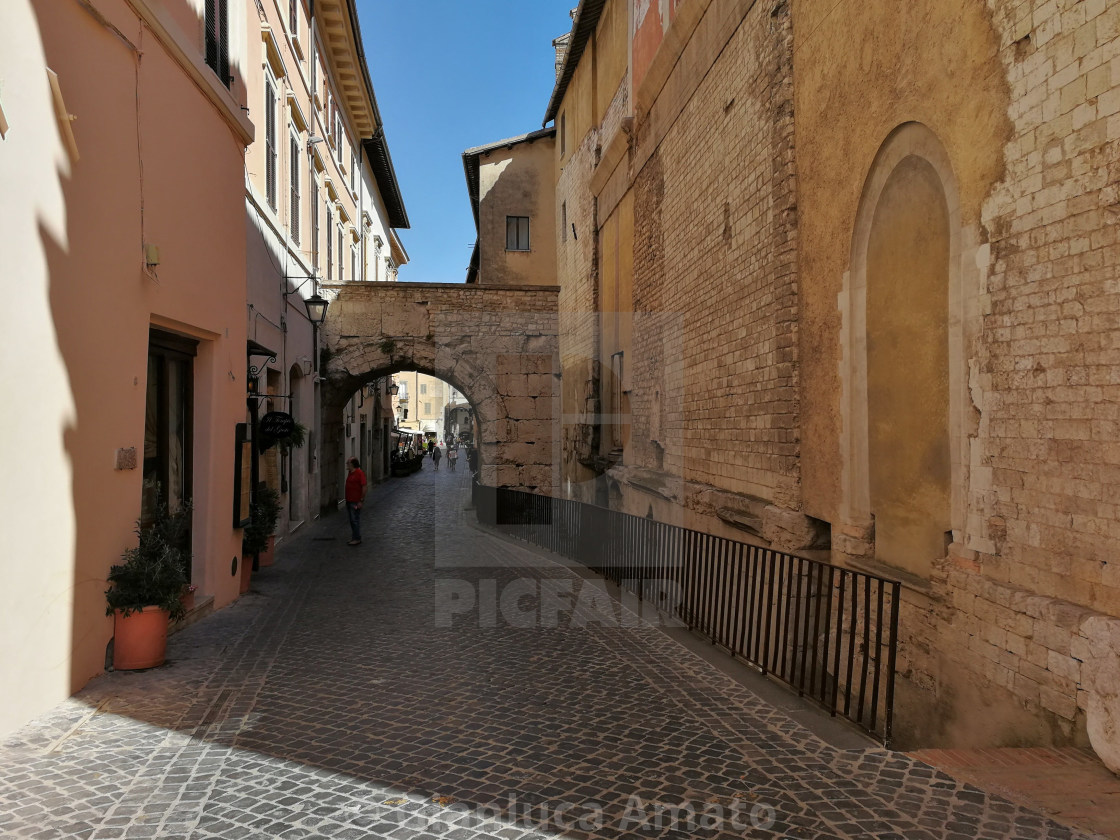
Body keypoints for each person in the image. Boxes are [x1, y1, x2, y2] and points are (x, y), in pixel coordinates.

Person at [344, 457, 366, 546]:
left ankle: (356, 539)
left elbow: (364, 487)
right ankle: (355, 537)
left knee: (354, 520)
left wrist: (361, 500)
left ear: (352, 464)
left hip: (355, 502)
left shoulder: (359, 473)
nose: (346, 464)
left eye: (348, 463)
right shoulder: (350, 473)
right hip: (349, 501)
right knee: (352, 520)